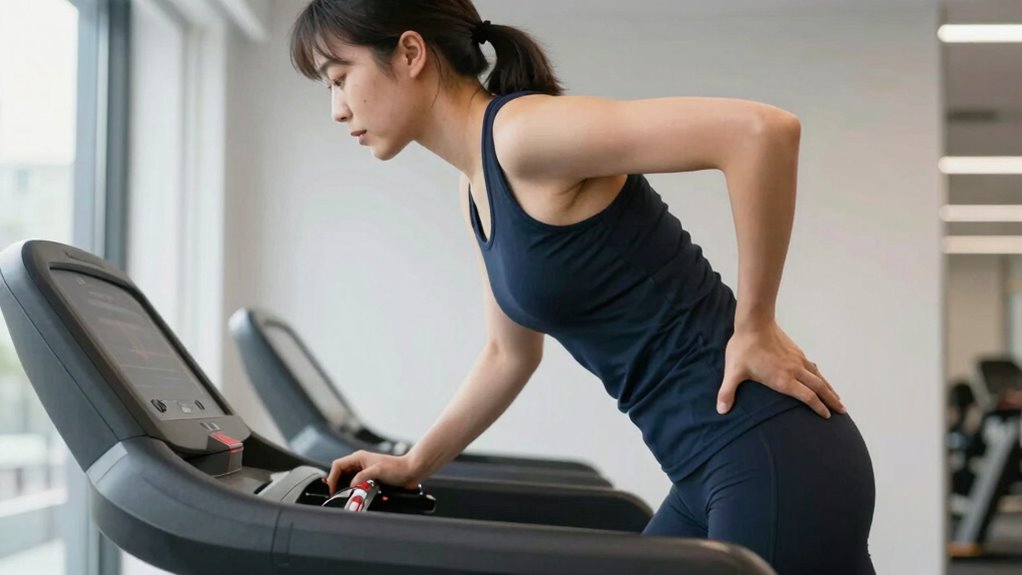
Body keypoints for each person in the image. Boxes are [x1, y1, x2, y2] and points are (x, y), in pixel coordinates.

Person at [289, 1, 876, 573]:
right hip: (709, 469)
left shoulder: (522, 133)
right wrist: (415, 463)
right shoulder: (479, 189)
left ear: (411, 52)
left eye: (340, 78)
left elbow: (761, 132)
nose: (337, 109)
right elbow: (508, 355)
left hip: (765, 448)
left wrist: (756, 325)